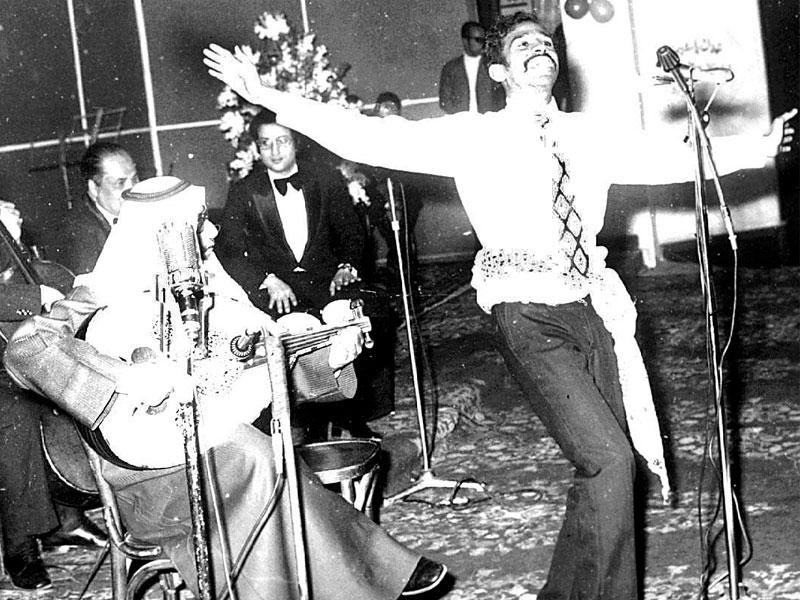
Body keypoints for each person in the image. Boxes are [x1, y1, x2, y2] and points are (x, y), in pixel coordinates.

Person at [203, 13, 796, 599]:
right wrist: (268, 95)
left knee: (603, 468)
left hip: (593, 306)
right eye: (523, 44)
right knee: (611, 459)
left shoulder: (588, 132)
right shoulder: (473, 136)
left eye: (546, 43)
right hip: (527, 311)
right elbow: (366, 135)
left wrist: (757, 148)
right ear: (499, 71)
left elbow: (666, 157)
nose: (540, 49)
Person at [4, 176, 447, 600]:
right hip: (154, 480)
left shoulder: (214, 289)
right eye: (199, 224)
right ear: (160, 236)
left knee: (256, 451)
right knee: (255, 454)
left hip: (219, 451)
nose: (213, 231)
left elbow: (250, 375)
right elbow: (27, 349)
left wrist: (328, 355)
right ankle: (371, 571)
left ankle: (357, 574)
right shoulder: (100, 293)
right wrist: (124, 379)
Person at [217, 110, 396, 436]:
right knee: (294, 336)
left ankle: (350, 414)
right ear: (256, 147)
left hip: (328, 279)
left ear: (296, 142)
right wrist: (266, 280)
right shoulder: (244, 190)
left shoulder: (325, 179)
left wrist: (347, 266)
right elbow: (228, 249)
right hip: (278, 287)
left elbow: (353, 232)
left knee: (362, 321)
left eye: (282, 141)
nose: (275, 151)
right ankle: (307, 422)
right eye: (266, 143)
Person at [1, 200, 106, 591]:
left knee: (76, 386)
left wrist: (11, 240)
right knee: (15, 416)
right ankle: (20, 548)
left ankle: (67, 520)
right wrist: (33, 296)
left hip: (18, 353)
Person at [56, 141, 138, 274]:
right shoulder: (78, 232)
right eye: (120, 183)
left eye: (134, 179)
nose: (132, 189)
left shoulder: (142, 213)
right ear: (94, 188)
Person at [438, 21, 505, 114]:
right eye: (478, 40)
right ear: (465, 41)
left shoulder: (491, 65)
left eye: (484, 40)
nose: (482, 44)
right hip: (460, 120)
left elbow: (501, 97)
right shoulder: (451, 68)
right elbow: (445, 101)